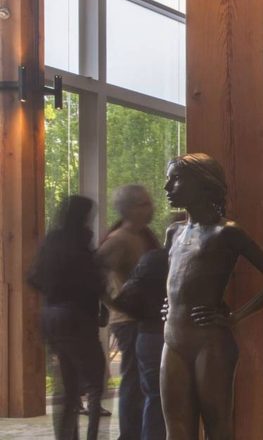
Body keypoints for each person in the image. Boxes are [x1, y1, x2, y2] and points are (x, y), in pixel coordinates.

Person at [160, 153, 263, 440]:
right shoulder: (174, 232)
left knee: (217, 428)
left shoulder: (226, 232)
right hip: (173, 339)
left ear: (201, 183)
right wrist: (166, 303)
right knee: (176, 430)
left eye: (175, 180)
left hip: (211, 342)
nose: (167, 187)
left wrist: (235, 316)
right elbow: (173, 279)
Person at [31, 195, 106, 440]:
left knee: (67, 388)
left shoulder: (52, 241)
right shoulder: (81, 242)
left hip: (51, 318)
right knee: (95, 384)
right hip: (78, 318)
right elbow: (94, 282)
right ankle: (94, 436)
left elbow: (33, 277)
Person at [96, 185, 159, 440]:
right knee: (134, 382)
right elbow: (94, 274)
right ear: (130, 209)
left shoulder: (144, 236)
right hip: (129, 321)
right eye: (144, 203)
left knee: (142, 383)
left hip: (143, 319)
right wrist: (114, 304)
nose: (150, 207)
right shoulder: (120, 239)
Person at [114, 220, 172, 440]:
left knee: (153, 395)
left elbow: (124, 298)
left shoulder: (150, 260)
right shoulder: (178, 260)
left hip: (146, 332)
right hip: (167, 333)